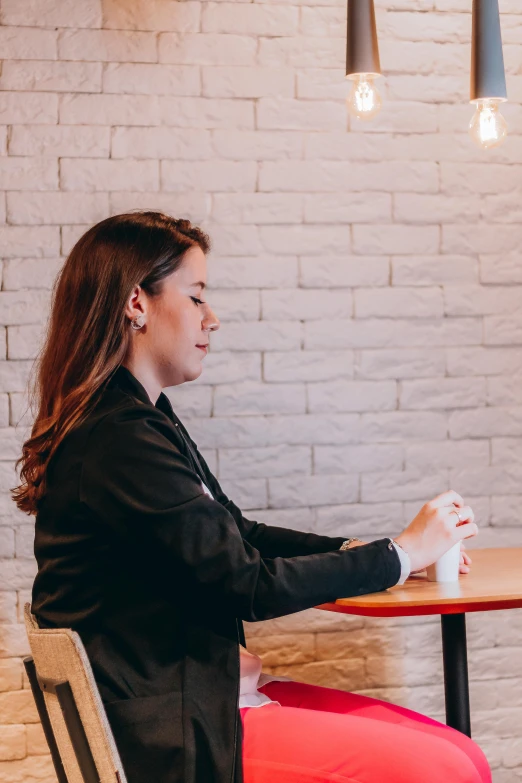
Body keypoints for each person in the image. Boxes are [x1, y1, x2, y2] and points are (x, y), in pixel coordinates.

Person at [13, 212, 490, 783]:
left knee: (461, 753)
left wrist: (369, 552)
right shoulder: (117, 437)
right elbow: (247, 584)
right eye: (195, 297)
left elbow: (237, 534)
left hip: (196, 697)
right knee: (445, 769)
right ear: (136, 302)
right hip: (176, 732)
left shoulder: (136, 419)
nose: (212, 319)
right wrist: (400, 554)